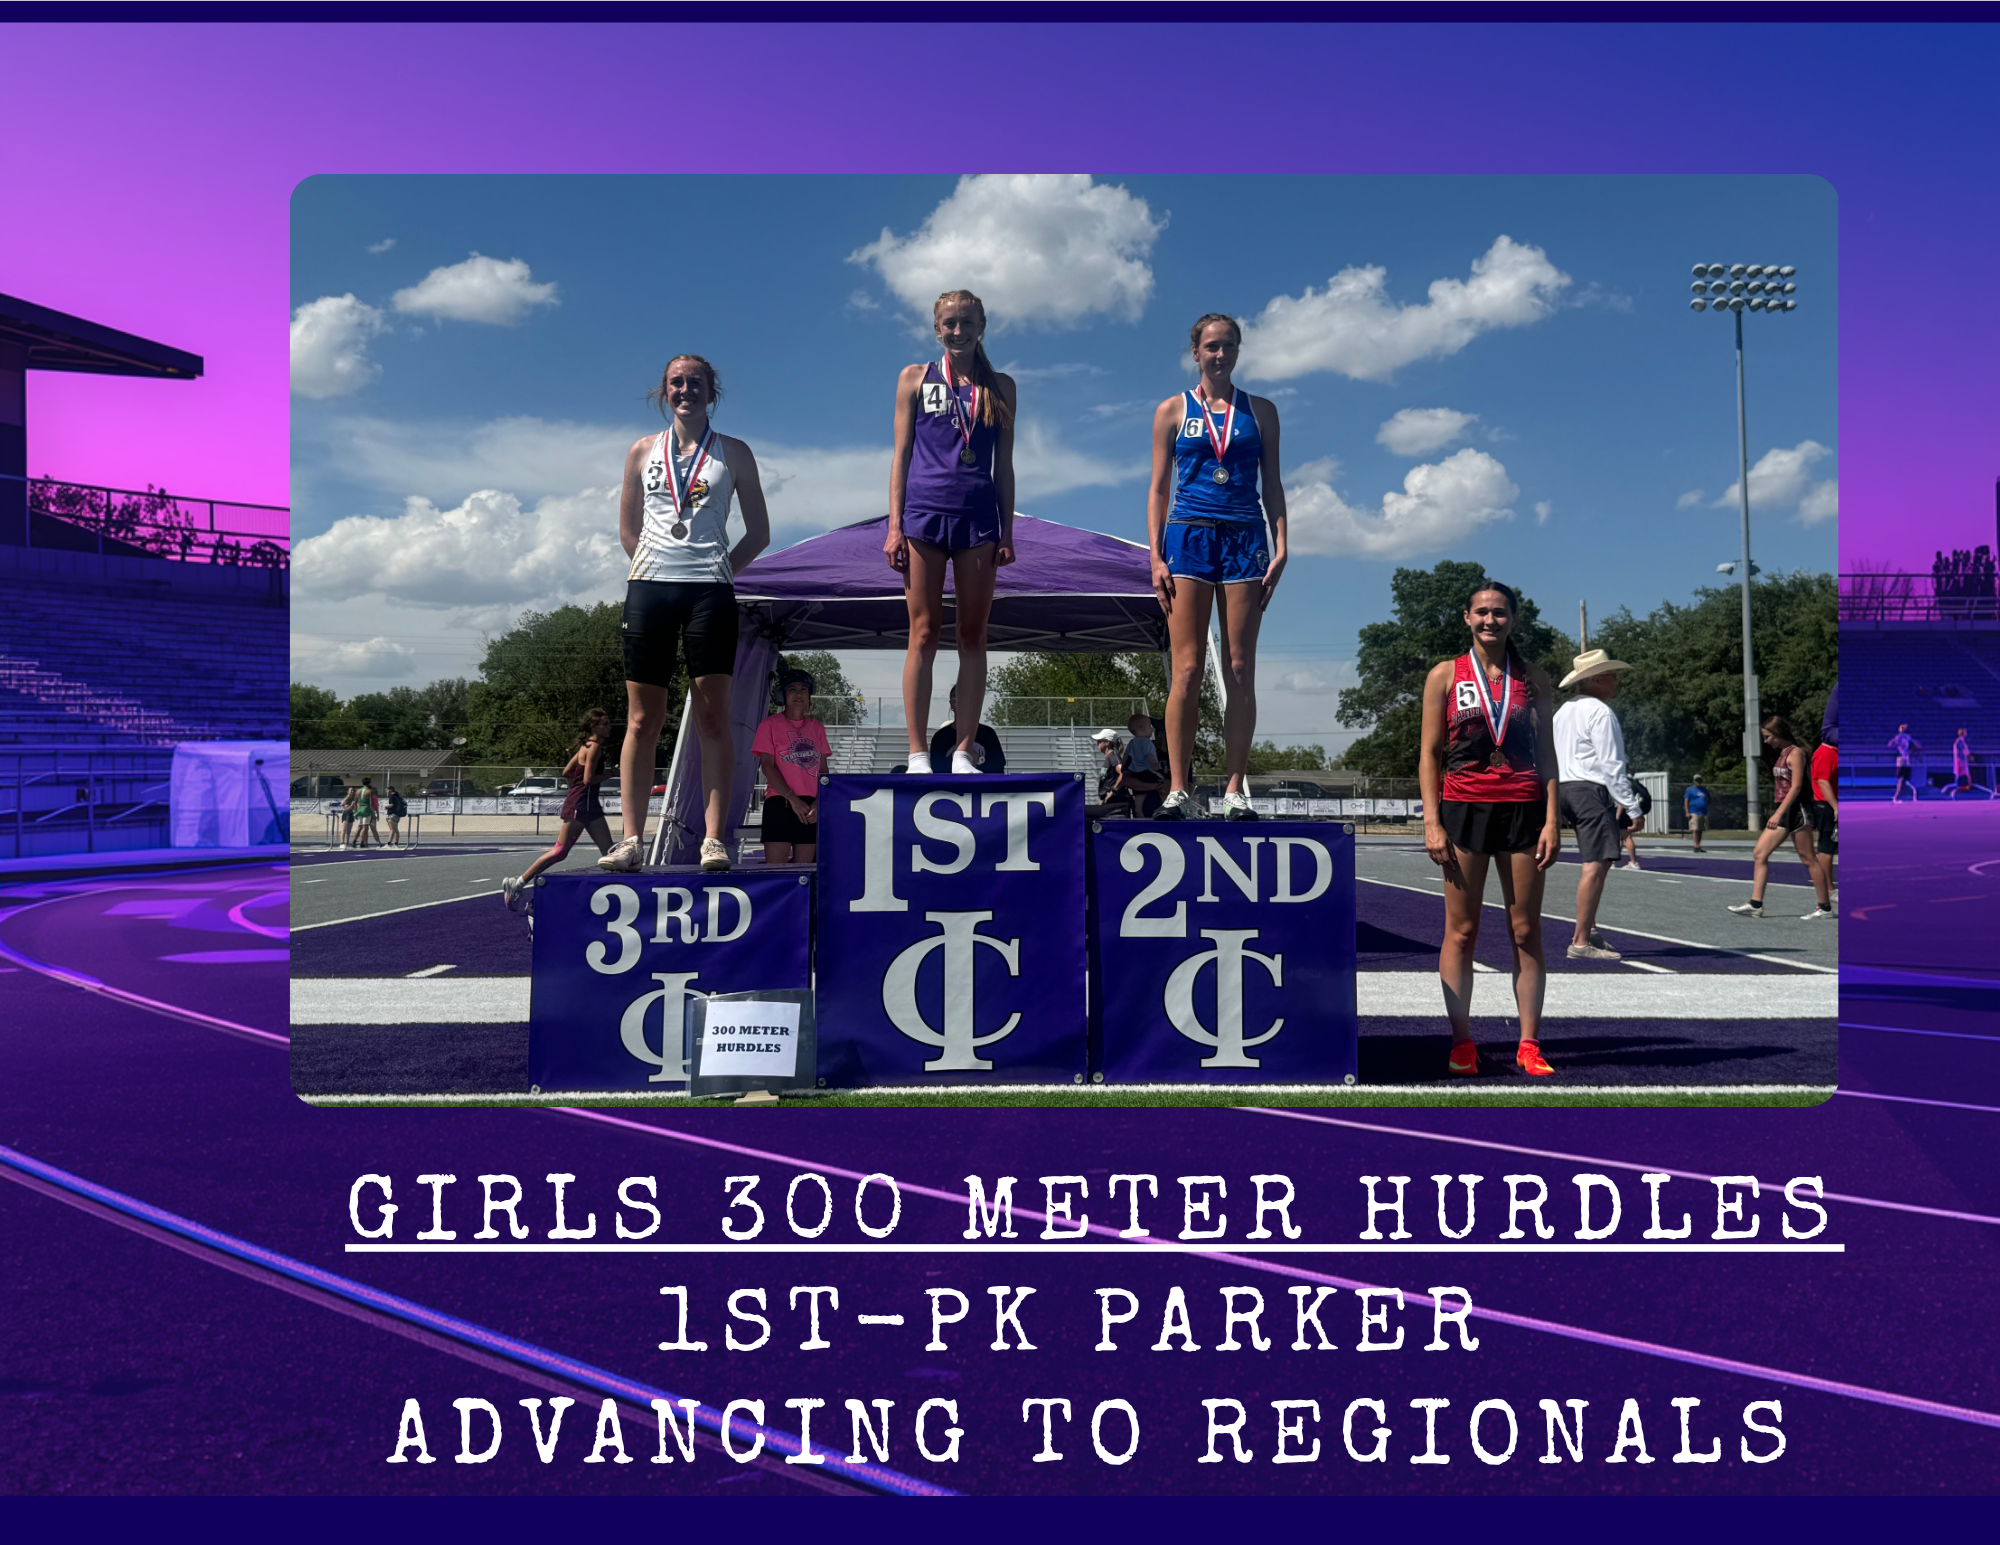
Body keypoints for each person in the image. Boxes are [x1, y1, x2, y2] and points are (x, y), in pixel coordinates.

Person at [600, 353, 771, 876]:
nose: (685, 389)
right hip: (650, 588)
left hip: (710, 594)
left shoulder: (735, 453)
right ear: (664, 391)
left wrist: (720, 570)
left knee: (713, 716)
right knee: (641, 717)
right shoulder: (640, 451)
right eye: (676, 382)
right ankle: (630, 839)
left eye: (695, 382)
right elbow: (629, 531)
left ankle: (714, 839)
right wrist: (655, 568)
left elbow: (759, 533)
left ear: (711, 392)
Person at [1149, 313, 1288, 822]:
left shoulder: (1262, 412)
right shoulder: (1171, 410)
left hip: (1245, 536)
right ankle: (1180, 789)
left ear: (1238, 350)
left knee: (1238, 667)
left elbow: (1271, 482)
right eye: (1211, 346)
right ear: (1195, 353)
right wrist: (1154, 554)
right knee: (1186, 669)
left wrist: (1282, 543)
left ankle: (1234, 789)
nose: (1220, 354)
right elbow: (1159, 488)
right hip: (1186, 534)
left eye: (1229, 345)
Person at [1420, 582, 1561, 1078]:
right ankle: (1462, 1041)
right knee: (1461, 931)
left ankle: (1528, 1042)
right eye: (1481, 612)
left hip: (1524, 809)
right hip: (1463, 810)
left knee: (1526, 931)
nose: (1490, 621)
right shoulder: (1444, 675)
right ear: (1466, 617)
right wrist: (1432, 820)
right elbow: (1430, 754)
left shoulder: (1534, 678)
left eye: (1499, 613)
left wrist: (1551, 818)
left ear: (1513, 619)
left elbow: (1547, 756)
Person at [887, 290, 1016, 776]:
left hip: (978, 518)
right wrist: (894, 526)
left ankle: (964, 751)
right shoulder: (914, 378)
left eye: (966, 322)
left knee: (972, 635)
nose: (957, 331)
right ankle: (919, 753)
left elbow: (1004, 465)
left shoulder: (1000, 386)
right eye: (948, 323)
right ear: (936, 327)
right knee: (922, 633)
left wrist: (1007, 529)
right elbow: (900, 455)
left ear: (982, 325)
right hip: (923, 515)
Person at [1553, 649, 1644, 962]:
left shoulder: (1563, 711)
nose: (1615, 681)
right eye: (1610, 675)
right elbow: (1611, 764)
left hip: (1563, 788)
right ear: (1594, 679)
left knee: (1597, 864)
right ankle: (1580, 941)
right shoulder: (1601, 712)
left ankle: (1588, 929)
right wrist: (1631, 806)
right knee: (1595, 865)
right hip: (1590, 790)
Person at [502, 709, 617, 910]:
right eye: (605, 723)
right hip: (581, 806)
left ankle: (615, 897)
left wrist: (577, 786)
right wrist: (611, 773)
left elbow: (567, 772)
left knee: (611, 854)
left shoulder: (585, 746)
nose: (609, 727)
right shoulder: (594, 747)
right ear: (594, 726)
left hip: (589, 806)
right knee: (560, 851)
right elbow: (588, 779)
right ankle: (517, 883)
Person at [1729, 716, 1835, 920]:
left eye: (1768, 737)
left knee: (1808, 858)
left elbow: (1796, 787)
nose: (1767, 741)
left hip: (1798, 811)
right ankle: (1755, 904)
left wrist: (1779, 813)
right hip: (1784, 811)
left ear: (1779, 734)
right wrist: (1778, 811)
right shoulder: (1781, 755)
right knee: (1760, 853)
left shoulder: (1795, 753)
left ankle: (1824, 906)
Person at [753, 668, 832, 865]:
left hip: (810, 806)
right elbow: (768, 767)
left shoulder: (817, 728)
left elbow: (823, 771)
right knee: (776, 870)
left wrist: (817, 803)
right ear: (783, 695)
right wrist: (792, 798)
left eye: (803, 689)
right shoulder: (769, 725)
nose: (798, 694)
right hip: (781, 801)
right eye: (792, 689)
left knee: (805, 870)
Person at [926, 683, 1007, 774]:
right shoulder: (940, 737)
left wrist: (978, 759)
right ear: (951, 704)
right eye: (955, 698)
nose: (961, 703)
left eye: (966, 698)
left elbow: (998, 767)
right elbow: (937, 769)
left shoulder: (988, 734)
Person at [1809, 731, 1838, 910]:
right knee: (1826, 848)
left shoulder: (1835, 752)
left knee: (1833, 847)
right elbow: (1822, 781)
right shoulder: (1825, 753)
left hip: (1833, 804)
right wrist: (1836, 807)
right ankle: (1828, 890)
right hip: (1826, 806)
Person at [1617, 781, 1651, 870]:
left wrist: (1617, 816)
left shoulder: (1622, 783)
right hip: (1633, 812)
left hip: (1626, 812)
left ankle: (1633, 862)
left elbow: (1622, 801)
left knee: (1626, 836)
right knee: (1620, 837)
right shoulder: (1633, 783)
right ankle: (1613, 860)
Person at [1888, 723, 1921, 803]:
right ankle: (1897, 796)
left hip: (1904, 760)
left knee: (1904, 778)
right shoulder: (1901, 737)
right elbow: (1916, 745)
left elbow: (1890, 744)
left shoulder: (1904, 737)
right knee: (1902, 779)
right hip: (1903, 760)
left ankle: (1899, 796)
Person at [1684, 774, 1710, 852]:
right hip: (1693, 812)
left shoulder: (1704, 790)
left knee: (1700, 830)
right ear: (1693, 781)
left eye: (1699, 780)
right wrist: (1687, 812)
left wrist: (1705, 805)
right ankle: (1696, 845)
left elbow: (1709, 798)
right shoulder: (1689, 790)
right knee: (1695, 829)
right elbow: (1686, 801)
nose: (1697, 782)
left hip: (1702, 812)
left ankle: (1699, 845)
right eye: (1696, 780)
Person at [1950, 727, 1974, 796]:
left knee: (1964, 773)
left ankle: (1964, 785)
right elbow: (1962, 752)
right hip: (1960, 761)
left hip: (1962, 761)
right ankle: (1959, 786)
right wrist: (1968, 756)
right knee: (1960, 774)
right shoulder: (1959, 742)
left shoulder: (1962, 742)